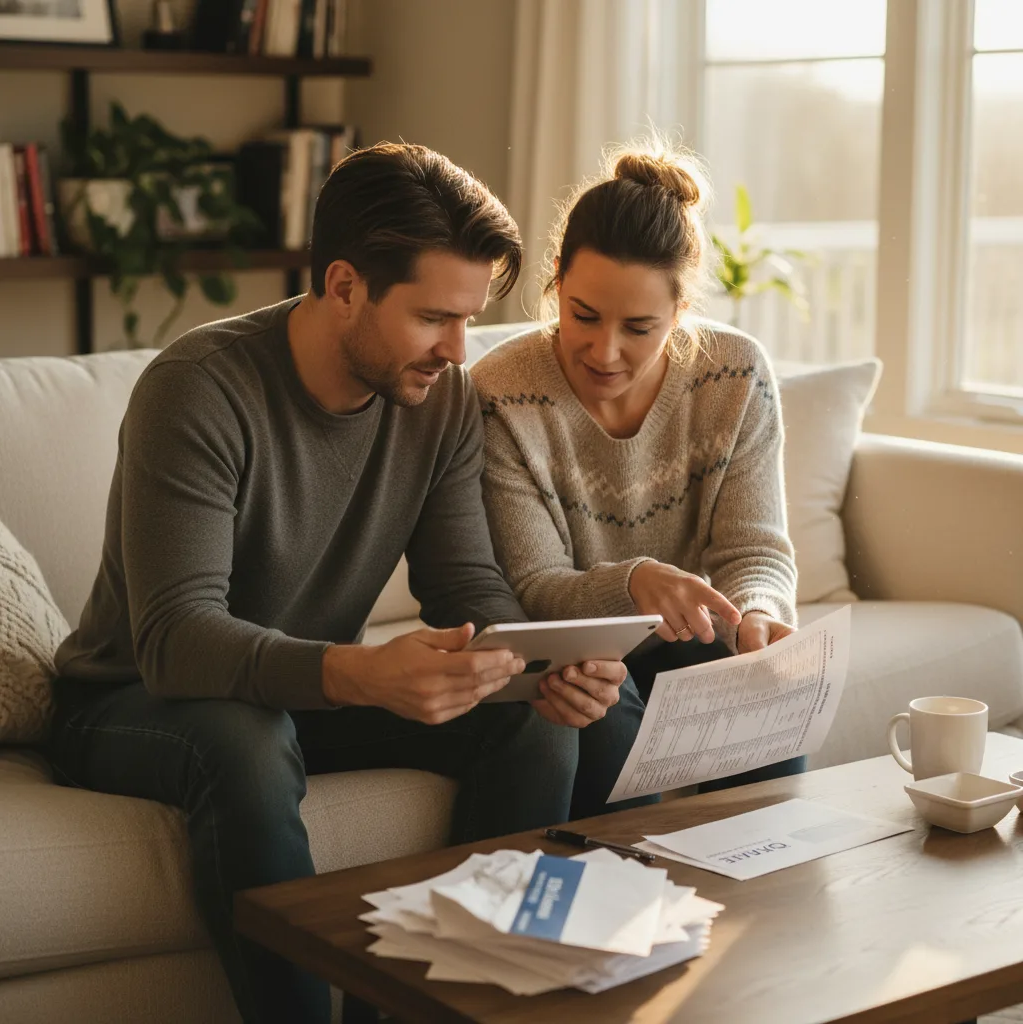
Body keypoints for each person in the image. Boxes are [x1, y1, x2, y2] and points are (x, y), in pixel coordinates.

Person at [45, 143, 642, 1024]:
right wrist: (357, 672)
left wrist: (536, 664)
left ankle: (459, 1005)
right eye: (434, 316)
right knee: (240, 739)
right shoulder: (198, 390)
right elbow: (175, 636)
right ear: (344, 286)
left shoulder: (437, 402)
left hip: (293, 694)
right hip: (134, 697)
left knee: (530, 726)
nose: (457, 348)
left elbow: (465, 584)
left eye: (469, 318)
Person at [470, 139, 804, 794]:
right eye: (583, 316)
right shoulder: (500, 394)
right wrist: (635, 583)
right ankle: (634, 891)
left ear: (681, 312)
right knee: (606, 727)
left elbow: (755, 550)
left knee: (771, 711)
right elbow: (534, 584)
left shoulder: (734, 375)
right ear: (557, 282)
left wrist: (759, 612)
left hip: (693, 641)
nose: (605, 352)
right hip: (575, 649)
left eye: (640, 327)